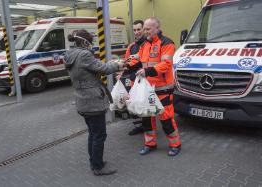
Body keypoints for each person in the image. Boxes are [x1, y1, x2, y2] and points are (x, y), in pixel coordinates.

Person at [64, 29, 126, 175]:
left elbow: (92, 67)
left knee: (93, 133)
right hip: (93, 102)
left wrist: (109, 63)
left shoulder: (70, 54)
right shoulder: (85, 54)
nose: (92, 45)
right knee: (99, 135)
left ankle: (94, 162)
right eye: (91, 42)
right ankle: (98, 167)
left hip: (82, 99)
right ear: (85, 42)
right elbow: (103, 69)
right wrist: (118, 64)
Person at [126, 17, 181, 156]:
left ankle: (175, 144)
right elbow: (138, 60)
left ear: (157, 28)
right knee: (147, 119)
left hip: (163, 89)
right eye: (144, 29)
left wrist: (147, 71)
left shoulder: (166, 43)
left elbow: (166, 64)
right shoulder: (144, 44)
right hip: (148, 89)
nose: (145, 31)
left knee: (166, 119)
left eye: (148, 29)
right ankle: (150, 144)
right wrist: (124, 66)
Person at [124, 20, 146, 136]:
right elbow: (127, 60)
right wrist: (121, 71)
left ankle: (147, 128)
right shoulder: (132, 46)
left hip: (144, 81)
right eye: (134, 30)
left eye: (139, 29)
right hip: (134, 79)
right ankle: (143, 125)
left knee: (144, 104)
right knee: (137, 103)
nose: (136, 32)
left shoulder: (147, 44)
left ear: (143, 29)